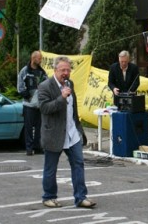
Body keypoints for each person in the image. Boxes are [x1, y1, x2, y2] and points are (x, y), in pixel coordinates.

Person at [38, 56, 96, 208]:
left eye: (68, 70)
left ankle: (81, 197)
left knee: (78, 164)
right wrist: (61, 98)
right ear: (55, 70)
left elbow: (73, 109)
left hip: (72, 132)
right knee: (51, 168)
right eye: (62, 70)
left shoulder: (70, 83)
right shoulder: (45, 86)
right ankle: (48, 197)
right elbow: (44, 108)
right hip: (54, 133)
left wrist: (78, 127)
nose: (66, 73)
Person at [17, 50, 48, 156]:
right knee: (28, 127)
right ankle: (29, 148)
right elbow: (20, 87)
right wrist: (29, 96)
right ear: (33, 58)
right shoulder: (24, 71)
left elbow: (47, 85)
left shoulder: (42, 72)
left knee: (39, 127)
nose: (40, 60)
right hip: (29, 105)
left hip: (40, 105)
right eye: (39, 58)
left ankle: (37, 146)